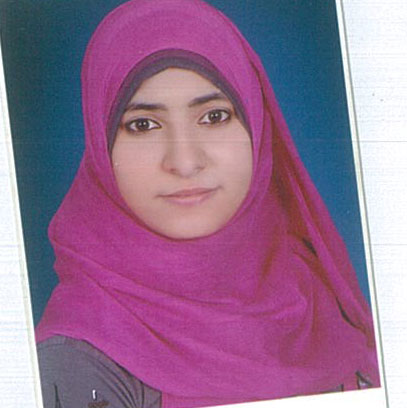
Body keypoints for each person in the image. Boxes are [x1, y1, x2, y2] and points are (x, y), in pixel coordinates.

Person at [35, 0, 380, 407]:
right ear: (101, 145)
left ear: (257, 124)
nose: (184, 162)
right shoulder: (78, 361)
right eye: (143, 125)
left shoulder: (318, 291)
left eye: (214, 117)